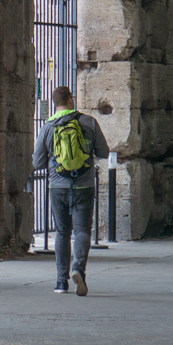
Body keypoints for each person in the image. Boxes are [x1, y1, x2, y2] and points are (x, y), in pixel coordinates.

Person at [32, 84, 109, 296]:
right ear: (71, 99)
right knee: (83, 231)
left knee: (62, 232)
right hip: (84, 185)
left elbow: (38, 162)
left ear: (55, 103)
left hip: (57, 187)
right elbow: (103, 152)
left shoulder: (48, 127)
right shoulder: (89, 122)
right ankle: (78, 270)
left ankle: (60, 282)